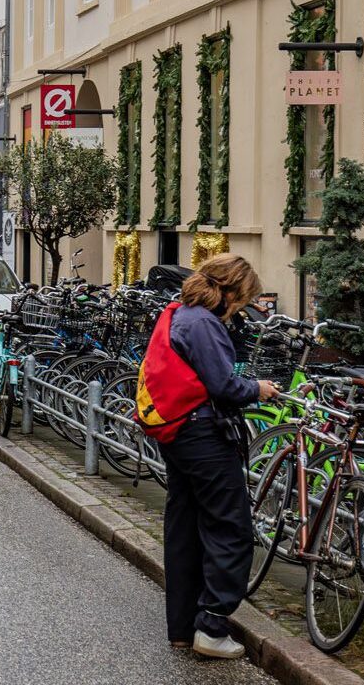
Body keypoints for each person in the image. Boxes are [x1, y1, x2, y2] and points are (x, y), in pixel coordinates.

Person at [134, 254, 277, 659]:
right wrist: (258, 389)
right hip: (203, 436)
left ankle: (182, 626)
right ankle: (212, 625)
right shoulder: (205, 324)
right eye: (242, 299)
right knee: (230, 528)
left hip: (175, 431)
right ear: (229, 291)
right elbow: (224, 385)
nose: (240, 308)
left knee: (185, 527)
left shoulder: (179, 313)